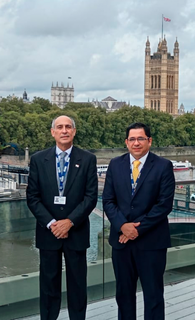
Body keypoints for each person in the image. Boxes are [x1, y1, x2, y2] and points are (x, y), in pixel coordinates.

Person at [26, 115, 98, 320]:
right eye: (60, 127)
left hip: (76, 232)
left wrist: (70, 222)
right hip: (48, 233)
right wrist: (52, 224)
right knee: (48, 286)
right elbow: (32, 197)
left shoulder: (88, 159)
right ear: (53, 132)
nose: (64, 130)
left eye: (68, 127)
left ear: (74, 132)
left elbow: (90, 197)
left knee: (77, 285)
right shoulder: (39, 160)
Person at [102, 122, 175, 320]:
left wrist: (136, 229)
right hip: (121, 242)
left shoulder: (163, 166)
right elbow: (108, 200)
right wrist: (123, 226)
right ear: (126, 142)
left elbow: (163, 205)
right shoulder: (115, 165)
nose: (136, 143)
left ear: (149, 141)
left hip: (151, 243)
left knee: (153, 296)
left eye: (140, 138)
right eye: (132, 139)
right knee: (123, 295)